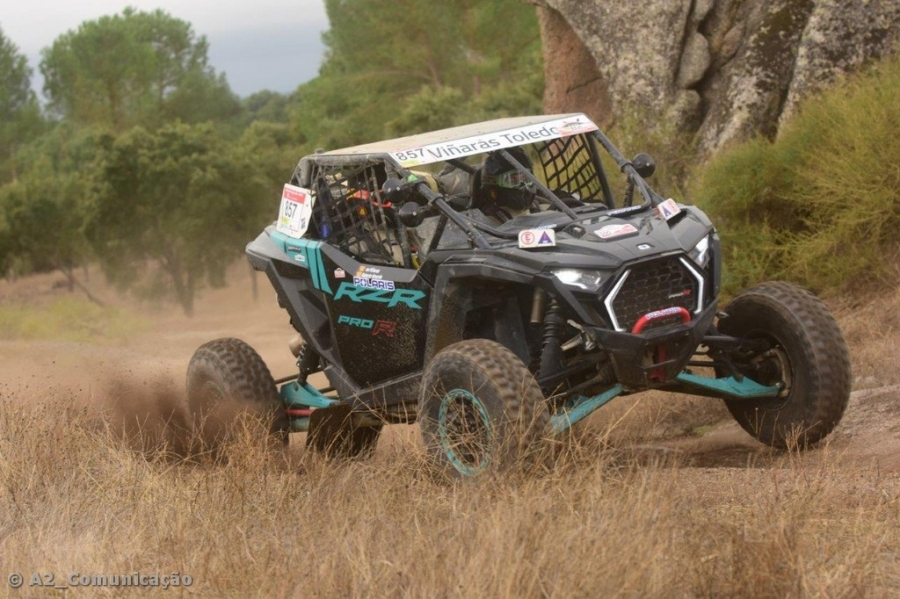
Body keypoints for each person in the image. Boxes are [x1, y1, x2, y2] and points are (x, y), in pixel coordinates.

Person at [478, 147, 537, 222]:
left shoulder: (543, 209)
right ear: (493, 187)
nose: (523, 185)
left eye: (526, 178)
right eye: (513, 180)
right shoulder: (486, 224)